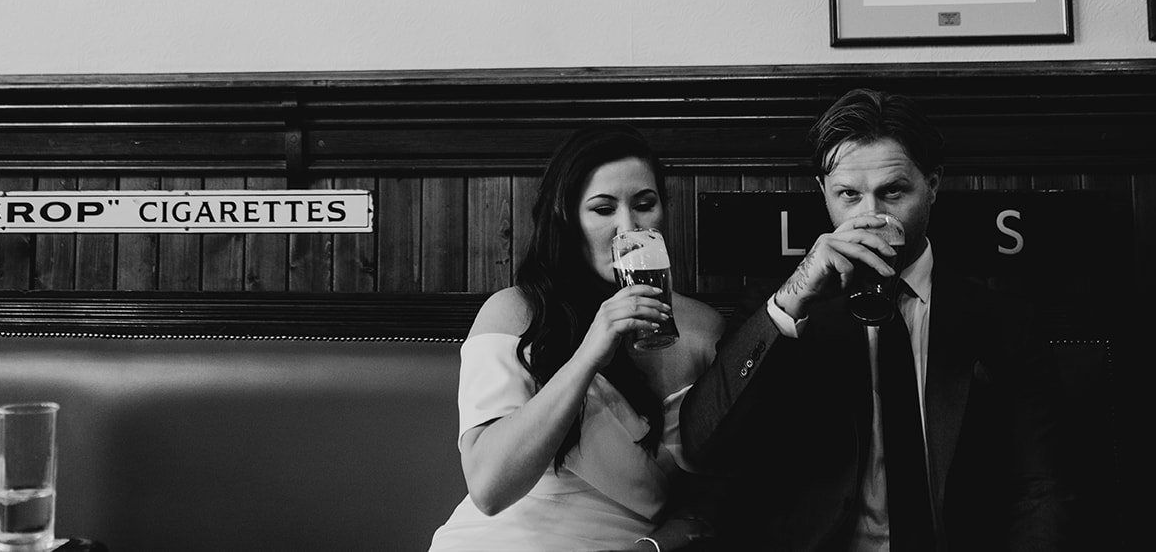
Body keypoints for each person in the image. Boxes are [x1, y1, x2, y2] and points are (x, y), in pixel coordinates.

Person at [680, 89, 1072, 551]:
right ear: (823, 193)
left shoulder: (1003, 323)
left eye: (893, 192)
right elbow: (701, 443)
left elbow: (1040, 488)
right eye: (849, 195)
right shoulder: (785, 309)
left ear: (933, 184)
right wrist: (794, 297)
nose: (871, 217)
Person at [428, 124, 725, 551]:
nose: (628, 226)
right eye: (603, 209)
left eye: (645, 204)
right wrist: (588, 356)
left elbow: (720, 493)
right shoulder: (514, 313)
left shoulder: (704, 329)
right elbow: (489, 489)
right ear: (567, 219)